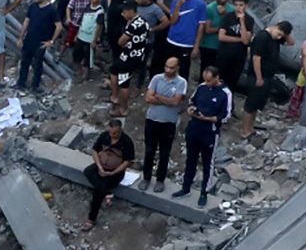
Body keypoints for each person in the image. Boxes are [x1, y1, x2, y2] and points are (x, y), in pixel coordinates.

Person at [177, 66, 231, 199]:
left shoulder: (225, 93)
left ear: (216, 78)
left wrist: (208, 119)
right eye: (205, 80)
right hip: (194, 128)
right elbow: (192, 101)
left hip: (210, 133)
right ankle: (185, 188)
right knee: (191, 159)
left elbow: (226, 115)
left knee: (208, 162)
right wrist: (192, 109)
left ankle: (204, 193)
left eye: (209, 81)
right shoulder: (201, 87)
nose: (206, 83)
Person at [140, 55, 188, 192]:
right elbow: (149, 98)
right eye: (166, 67)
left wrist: (159, 96)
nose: (168, 70)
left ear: (177, 68)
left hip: (168, 123)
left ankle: (160, 180)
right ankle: (146, 178)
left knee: (164, 153)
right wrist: (168, 100)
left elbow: (176, 102)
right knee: (149, 151)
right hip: (152, 119)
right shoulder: (156, 78)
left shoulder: (181, 82)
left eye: (171, 68)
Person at [237, 17, 289, 141]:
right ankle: (245, 130)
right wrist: (259, 77)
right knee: (250, 104)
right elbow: (256, 59)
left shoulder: (275, 39)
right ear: (275, 27)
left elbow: (291, 42)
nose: (279, 37)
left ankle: (251, 128)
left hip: (268, 76)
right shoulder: (262, 37)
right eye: (279, 34)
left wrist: (284, 35)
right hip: (257, 76)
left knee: (257, 104)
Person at [82, 117, 136, 228]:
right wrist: (99, 167)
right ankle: (107, 193)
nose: (112, 135)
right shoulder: (104, 136)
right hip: (101, 167)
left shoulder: (126, 142)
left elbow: (126, 162)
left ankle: (91, 219)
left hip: (115, 173)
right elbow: (95, 151)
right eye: (111, 132)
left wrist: (113, 172)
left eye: (115, 133)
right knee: (88, 171)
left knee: (98, 190)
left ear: (120, 130)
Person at [17, 0, 61, 91]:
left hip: (41, 42)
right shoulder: (33, 6)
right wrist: (21, 37)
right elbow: (26, 21)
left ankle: (35, 86)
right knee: (24, 63)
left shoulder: (51, 10)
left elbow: (59, 26)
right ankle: (21, 84)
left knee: (37, 65)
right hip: (29, 39)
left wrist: (51, 41)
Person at [161, 0, 208, 79]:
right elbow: (173, 21)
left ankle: (181, 92)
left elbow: (201, 27)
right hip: (172, 40)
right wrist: (178, 6)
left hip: (187, 43)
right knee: (168, 67)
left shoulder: (200, 5)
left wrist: (196, 46)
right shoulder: (175, 2)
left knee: (184, 70)